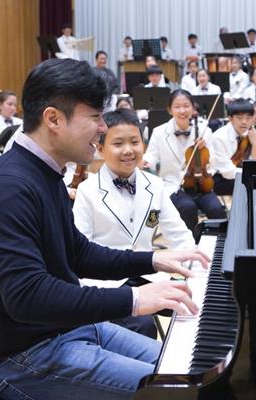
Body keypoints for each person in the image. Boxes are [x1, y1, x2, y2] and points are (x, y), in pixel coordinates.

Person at [0, 58, 210, 400]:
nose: (103, 129)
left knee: (193, 370)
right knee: (181, 391)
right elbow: (27, 298)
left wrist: (153, 260)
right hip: (23, 356)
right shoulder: (8, 188)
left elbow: (77, 252)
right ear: (53, 119)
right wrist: (135, 298)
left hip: (64, 332)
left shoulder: (44, 172)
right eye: (94, 117)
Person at [73, 109, 195, 338]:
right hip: (107, 283)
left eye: (135, 142)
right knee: (143, 325)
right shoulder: (87, 190)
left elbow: (180, 235)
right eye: (118, 143)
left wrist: (195, 271)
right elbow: (80, 250)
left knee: (194, 302)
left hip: (147, 274)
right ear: (100, 148)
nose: (129, 150)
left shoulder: (155, 185)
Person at [142, 89, 226, 231]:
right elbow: (151, 155)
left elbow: (214, 162)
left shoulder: (205, 130)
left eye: (186, 106)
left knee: (217, 209)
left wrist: (206, 150)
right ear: (170, 110)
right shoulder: (159, 131)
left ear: (193, 108)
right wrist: (145, 161)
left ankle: (219, 245)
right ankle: (191, 246)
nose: (182, 110)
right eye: (177, 106)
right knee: (188, 208)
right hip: (173, 185)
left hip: (201, 184)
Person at [209, 98, 256, 195]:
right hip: (218, 178)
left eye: (248, 118)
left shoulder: (251, 133)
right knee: (252, 185)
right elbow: (227, 172)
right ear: (230, 118)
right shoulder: (219, 137)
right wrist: (251, 175)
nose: (244, 122)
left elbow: (255, 164)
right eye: (239, 118)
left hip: (239, 173)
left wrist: (255, 145)